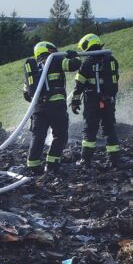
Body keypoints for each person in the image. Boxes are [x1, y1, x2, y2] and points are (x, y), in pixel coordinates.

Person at [23, 41, 80, 175]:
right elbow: (73, 65)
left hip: (38, 109)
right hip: (56, 106)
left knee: (38, 136)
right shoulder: (54, 59)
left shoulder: (32, 68)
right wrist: (74, 56)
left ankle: (33, 165)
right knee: (60, 135)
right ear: (49, 50)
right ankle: (52, 164)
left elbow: (27, 94)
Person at [69, 33, 121, 166]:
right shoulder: (112, 60)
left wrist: (75, 101)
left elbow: (78, 85)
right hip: (109, 100)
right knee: (109, 129)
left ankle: (85, 160)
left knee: (90, 130)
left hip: (92, 101)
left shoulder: (87, 62)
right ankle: (114, 160)